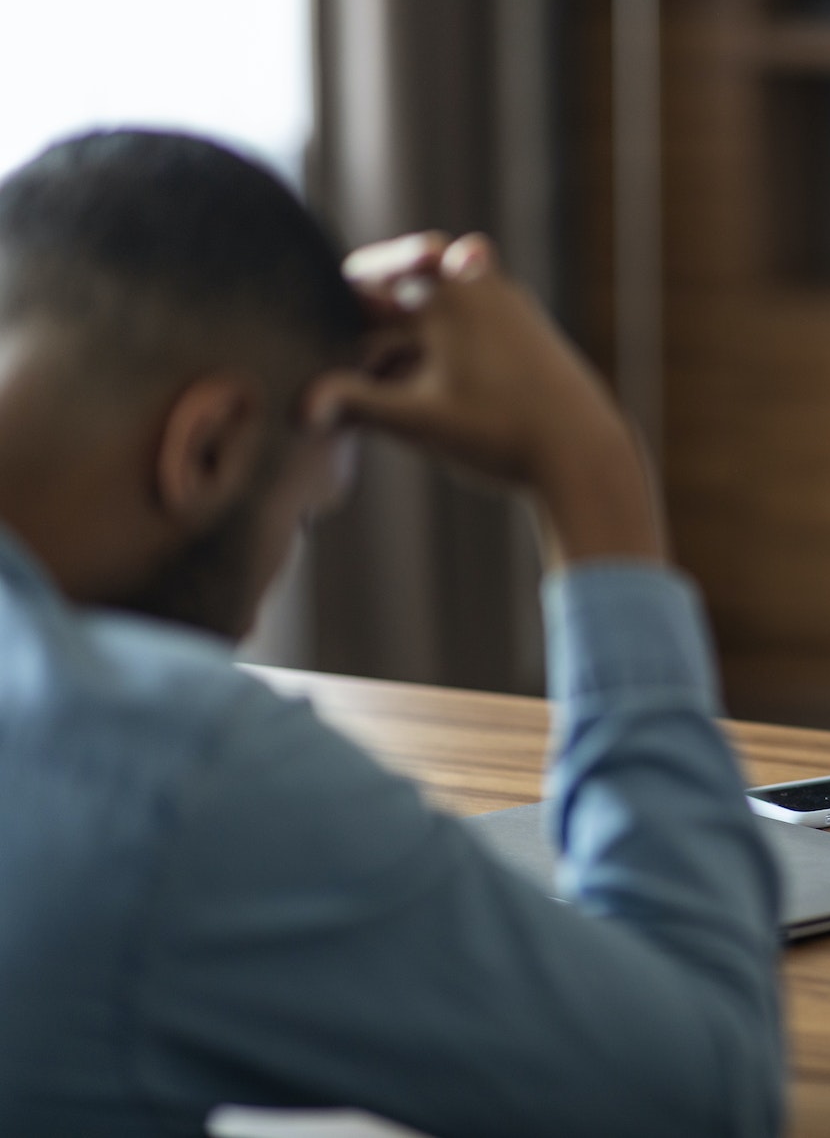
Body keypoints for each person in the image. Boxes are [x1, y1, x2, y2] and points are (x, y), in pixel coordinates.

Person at [0, 131, 783, 1135]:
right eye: (304, 510)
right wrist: (591, 468)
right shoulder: (176, 766)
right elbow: (704, 1095)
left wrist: (282, 332)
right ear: (208, 448)